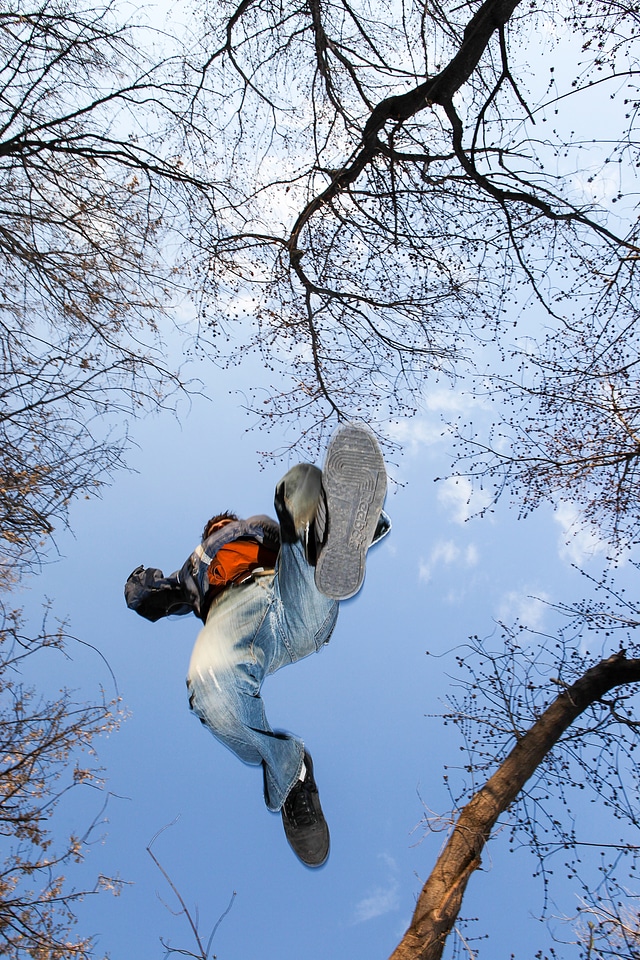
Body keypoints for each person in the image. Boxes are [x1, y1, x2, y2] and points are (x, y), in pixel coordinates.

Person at [125, 423, 389, 867]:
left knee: (296, 484)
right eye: (215, 528)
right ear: (207, 532)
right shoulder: (189, 570)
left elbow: (287, 515)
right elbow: (149, 600)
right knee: (211, 690)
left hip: (289, 592)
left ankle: (333, 536)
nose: (221, 529)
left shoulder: (257, 528)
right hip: (233, 619)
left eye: (224, 524)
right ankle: (291, 773)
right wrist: (140, 586)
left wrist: (342, 522)